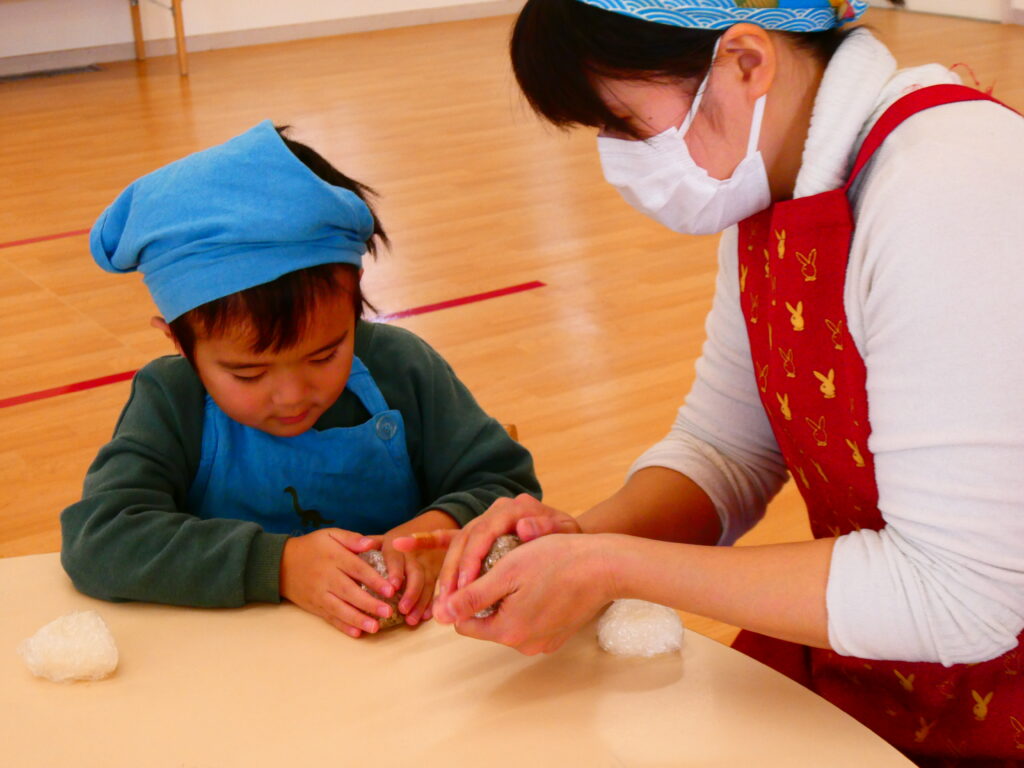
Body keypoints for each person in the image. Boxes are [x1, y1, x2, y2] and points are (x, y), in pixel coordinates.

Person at [395, 0, 1024, 763]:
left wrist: (614, 567)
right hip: (883, 655)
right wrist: (576, 543)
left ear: (747, 62)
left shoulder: (953, 187)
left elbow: (962, 596)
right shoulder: (775, 184)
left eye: (625, 124)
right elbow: (726, 449)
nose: (617, 157)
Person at [60, 121, 540, 640]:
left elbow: (505, 486)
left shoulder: (402, 367)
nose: (292, 396)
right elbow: (99, 539)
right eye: (247, 372)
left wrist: (433, 537)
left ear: (353, 299)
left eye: (325, 354)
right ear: (179, 341)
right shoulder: (171, 400)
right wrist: (279, 564)